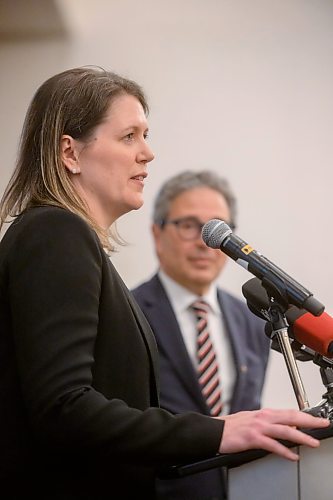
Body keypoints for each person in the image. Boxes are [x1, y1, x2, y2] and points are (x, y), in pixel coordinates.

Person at [0, 67, 329, 500]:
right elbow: (65, 408)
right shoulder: (56, 232)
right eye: (129, 136)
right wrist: (216, 431)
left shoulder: (65, 238)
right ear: (70, 153)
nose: (148, 153)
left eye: (146, 135)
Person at [132, 170, 271, 499]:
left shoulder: (255, 319)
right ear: (157, 234)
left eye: (218, 230)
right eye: (188, 225)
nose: (204, 242)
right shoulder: (129, 313)